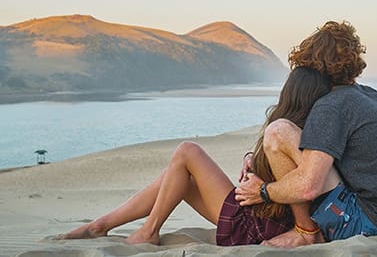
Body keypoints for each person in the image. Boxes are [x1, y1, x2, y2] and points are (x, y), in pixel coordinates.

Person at [56, 66, 339, 246]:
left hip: (257, 225)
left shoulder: (303, 134)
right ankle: (100, 225)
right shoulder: (299, 131)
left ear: (291, 94)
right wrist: (253, 158)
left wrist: (263, 187)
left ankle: (148, 231)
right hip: (257, 218)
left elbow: (305, 184)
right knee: (177, 178)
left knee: (187, 151)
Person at [236, 20, 377, 248]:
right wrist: (256, 158)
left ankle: (305, 232)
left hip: (369, 225)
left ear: (310, 63)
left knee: (278, 132)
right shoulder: (369, 95)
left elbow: (308, 187)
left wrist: (263, 192)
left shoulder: (331, 106)